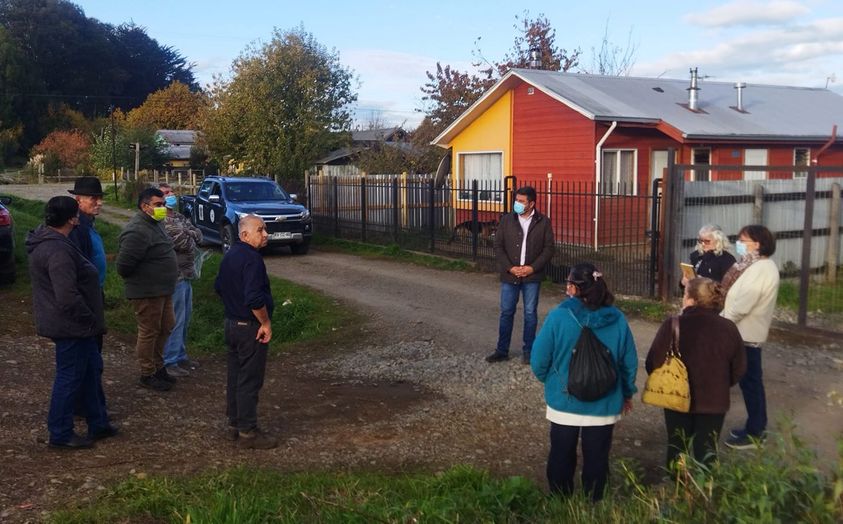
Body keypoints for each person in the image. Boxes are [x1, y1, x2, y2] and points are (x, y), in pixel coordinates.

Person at [531, 263, 638, 502]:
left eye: (568, 283)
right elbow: (628, 362)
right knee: (598, 456)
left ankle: (560, 501)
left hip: (564, 400)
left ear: (573, 288)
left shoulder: (559, 316)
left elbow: (538, 359)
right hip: (605, 401)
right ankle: (594, 502)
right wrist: (627, 393)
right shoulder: (618, 319)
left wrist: (552, 382)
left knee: (560, 453)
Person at [26, 196, 117, 449]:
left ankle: (98, 423)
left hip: (75, 325)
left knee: (90, 372)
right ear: (72, 218)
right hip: (71, 326)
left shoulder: (54, 242)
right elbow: (66, 296)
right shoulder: (57, 250)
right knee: (69, 378)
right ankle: (60, 433)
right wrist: (88, 317)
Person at [646, 277, 746, 467]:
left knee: (677, 447)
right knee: (707, 451)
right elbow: (739, 368)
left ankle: (679, 489)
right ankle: (704, 491)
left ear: (691, 300)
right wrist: (720, 383)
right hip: (714, 401)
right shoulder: (729, 328)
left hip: (676, 398)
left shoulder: (673, 325)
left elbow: (653, 362)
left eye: (684, 294)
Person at [215, 214, 278, 449]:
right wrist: (265, 323)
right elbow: (254, 298)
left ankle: (235, 422)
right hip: (249, 329)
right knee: (250, 379)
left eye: (265, 230)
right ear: (245, 235)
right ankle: (248, 432)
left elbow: (219, 287)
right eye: (260, 230)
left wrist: (233, 306)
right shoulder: (252, 260)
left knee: (235, 376)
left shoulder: (230, 254)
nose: (265, 234)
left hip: (231, 325)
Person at [720, 225, 780, 450]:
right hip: (739, 332)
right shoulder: (751, 266)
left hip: (746, 335)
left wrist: (719, 322)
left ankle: (756, 431)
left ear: (757, 243)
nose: (739, 242)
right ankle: (755, 427)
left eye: (743, 240)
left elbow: (742, 305)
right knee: (748, 382)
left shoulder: (762, 269)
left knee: (751, 383)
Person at [116, 187, 179, 391]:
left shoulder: (155, 223)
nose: (163, 208)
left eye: (163, 203)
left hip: (163, 289)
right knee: (149, 331)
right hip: (147, 292)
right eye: (158, 205)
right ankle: (147, 372)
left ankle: (158, 366)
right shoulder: (137, 230)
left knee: (167, 326)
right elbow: (124, 265)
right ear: (145, 206)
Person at [487, 186, 555, 364]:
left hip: (532, 277)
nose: (517, 204)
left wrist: (532, 268)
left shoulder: (543, 222)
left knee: (530, 313)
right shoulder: (507, 220)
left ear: (531, 203)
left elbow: (548, 249)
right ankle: (502, 350)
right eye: (516, 200)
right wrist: (510, 267)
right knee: (506, 312)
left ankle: (529, 352)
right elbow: (498, 246)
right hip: (510, 276)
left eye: (521, 201)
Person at [67, 177, 109, 417]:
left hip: (95, 294)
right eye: (93, 198)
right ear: (78, 200)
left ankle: (86, 401)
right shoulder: (78, 228)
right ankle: (84, 404)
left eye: (99, 197)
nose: (99, 202)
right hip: (86, 298)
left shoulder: (88, 224)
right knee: (88, 354)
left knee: (94, 352)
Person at [159, 182, 203, 377]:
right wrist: (188, 235)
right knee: (175, 320)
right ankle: (170, 360)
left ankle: (180, 354)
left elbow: (198, 235)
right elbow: (182, 241)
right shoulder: (160, 220)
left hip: (187, 274)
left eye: (171, 192)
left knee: (185, 318)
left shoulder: (178, 216)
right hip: (173, 277)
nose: (170, 195)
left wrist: (188, 234)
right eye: (165, 193)